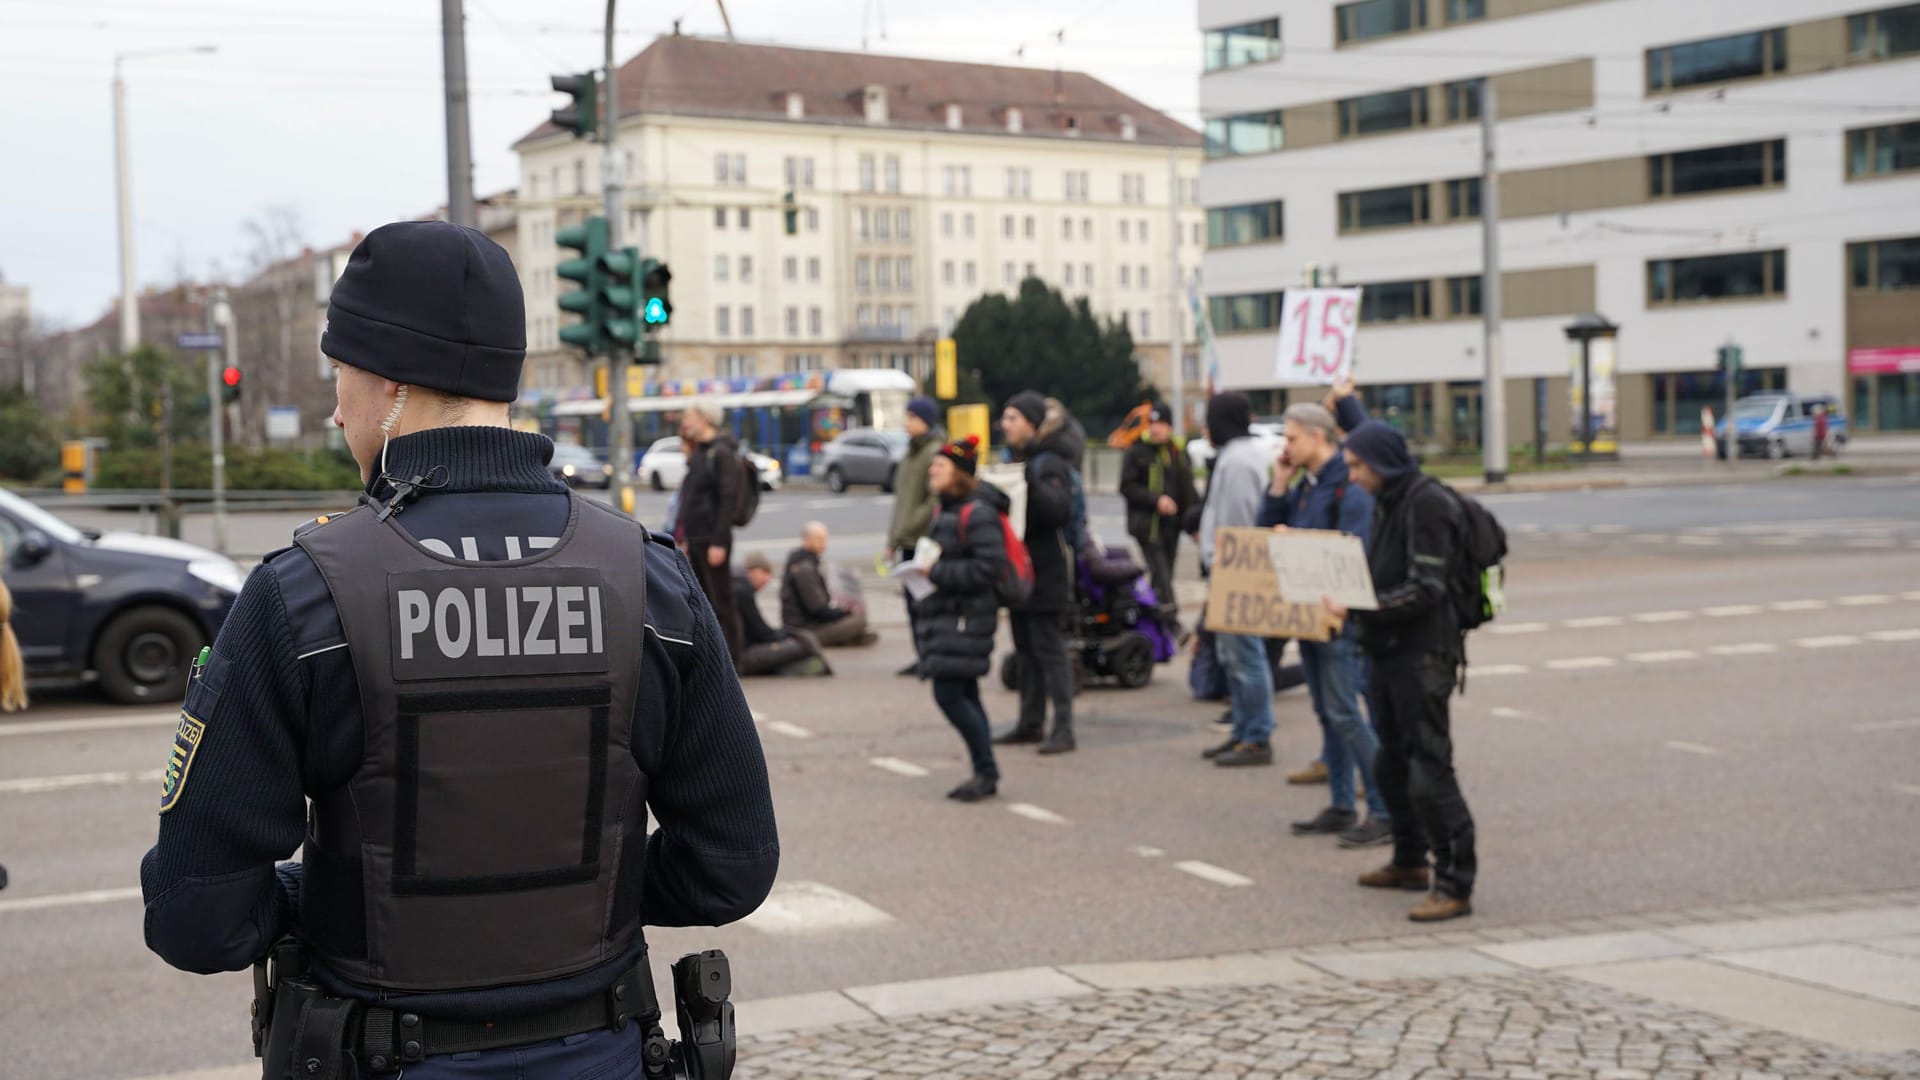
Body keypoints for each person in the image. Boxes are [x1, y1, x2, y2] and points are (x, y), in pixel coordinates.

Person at [139, 221, 779, 1076]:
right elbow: (730, 867)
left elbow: (196, 915)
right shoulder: (651, 581)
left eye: (342, 377)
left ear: (392, 381)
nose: (336, 409)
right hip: (606, 1051)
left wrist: (334, 897)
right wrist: (590, 890)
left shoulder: (304, 595)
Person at [1325, 419, 1477, 923]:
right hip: (1387, 650)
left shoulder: (1427, 502)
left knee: (1429, 768)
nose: (1351, 475)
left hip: (1422, 654)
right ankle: (1409, 860)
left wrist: (1358, 608)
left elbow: (1426, 588)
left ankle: (1455, 882)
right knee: (1391, 763)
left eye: (1356, 465)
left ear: (1381, 462)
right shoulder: (1390, 499)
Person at [1259, 403, 1391, 847]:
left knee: (1346, 715)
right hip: (1311, 619)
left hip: (1339, 622)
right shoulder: (1306, 487)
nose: (1286, 447)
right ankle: (1340, 804)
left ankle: (1382, 808)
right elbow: (1265, 531)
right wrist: (1278, 484)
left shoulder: (1346, 490)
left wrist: (1295, 541)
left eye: (1292, 438)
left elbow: (1352, 552)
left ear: (1318, 437)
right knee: (1328, 715)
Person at [914, 435, 1007, 802]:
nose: (932, 470)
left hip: (967, 617)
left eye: (940, 466)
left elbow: (988, 567)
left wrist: (935, 573)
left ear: (959, 474)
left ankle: (986, 769)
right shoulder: (947, 509)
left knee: (949, 693)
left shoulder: (977, 512)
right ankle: (985, 770)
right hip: (950, 614)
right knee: (965, 692)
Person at [992, 391, 1085, 755]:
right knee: (1025, 650)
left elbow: (1057, 512)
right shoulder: (1016, 460)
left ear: (1031, 424)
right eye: (1005, 417)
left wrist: (1028, 481)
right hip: (1020, 570)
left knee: (1050, 651)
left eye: (1013, 417)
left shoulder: (1049, 462)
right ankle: (1030, 722)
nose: (1005, 424)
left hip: (1046, 570)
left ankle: (1063, 727)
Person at [1196, 392, 1277, 768]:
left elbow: (1241, 518)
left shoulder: (1241, 460)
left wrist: (1229, 562)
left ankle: (1257, 735)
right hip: (1226, 566)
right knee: (1232, 655)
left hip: (1236, 568)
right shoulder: (1233, 456)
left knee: (1245, 654)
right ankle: (1244, 730)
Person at [679, 399, 745, 666]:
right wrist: (684, 537)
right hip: (695, 539)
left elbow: (728, 499)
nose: (684, 423)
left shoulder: (721, 453)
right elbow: (690, 498)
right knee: (702, 604)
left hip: (712, 540)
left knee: (721, 603)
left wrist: (719, 541)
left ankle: (734, 663)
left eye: (688, 417)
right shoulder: (700, 452)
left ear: (704, 418)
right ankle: (712, 662)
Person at [1118, 404, 1196, 621]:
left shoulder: (1178, 452)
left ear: (1170, 427)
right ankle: (1173, 623)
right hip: (1146, 526)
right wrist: (1156, 500)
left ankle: (1148, 621)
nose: (1155, 429)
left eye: (1160, 424)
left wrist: (1192, 522)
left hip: (1172, 527)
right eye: (1152, 424)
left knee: (1164, 576)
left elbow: (1188, 490)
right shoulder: (1137, 451)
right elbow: (1127, 486)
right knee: (1161, 575)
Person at [888, 397, 945, 676]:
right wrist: (892, 539)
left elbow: (932, 501)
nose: (906, 422)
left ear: (926, 421)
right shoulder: (909, 454)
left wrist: (909, 527)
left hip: (923, 542)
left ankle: (931, 656)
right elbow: (901, 502)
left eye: (911, 417)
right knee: (912, 604)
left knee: (926, 604)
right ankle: (921, 655)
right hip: (906, 541)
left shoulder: (932, 452)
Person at [782, 521, 877, 647]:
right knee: (860, 619)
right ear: (806, 540)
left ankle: (849, 637)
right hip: (806, 630)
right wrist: (843, 613)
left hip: (801, 625)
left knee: (852, 619)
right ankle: (846, 638)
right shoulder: (805, 569)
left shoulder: (801, 563)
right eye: (819, 539)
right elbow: (817, 609)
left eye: (825, 539)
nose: (823, 543)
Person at [736, 553, 832, 677]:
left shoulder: (732, 587)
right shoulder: (742, 591)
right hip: (742, 657)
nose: (767, 579)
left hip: (737, 652)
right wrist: (786, 635)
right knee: (801, 644)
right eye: (765, 573)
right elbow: (760, 631)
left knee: (801, 640)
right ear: (753, 571)